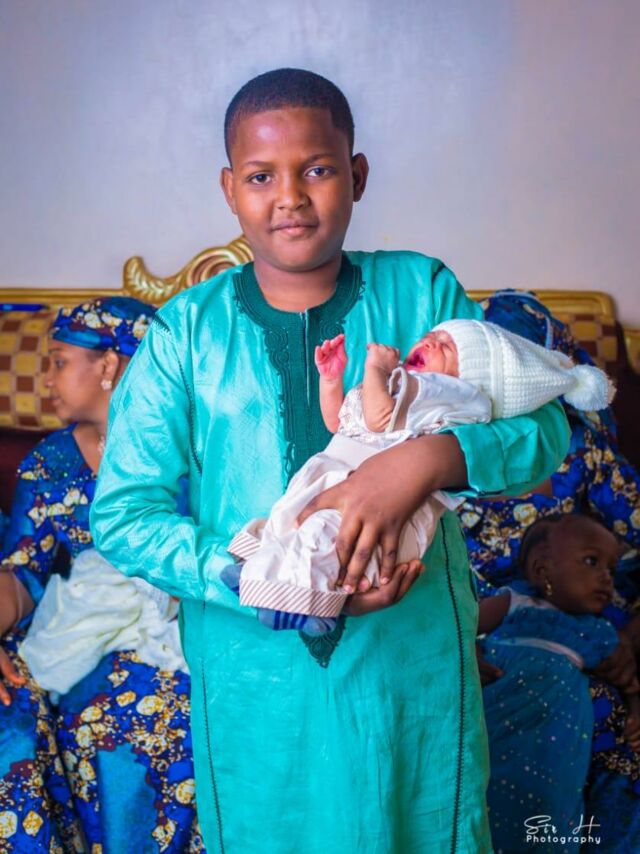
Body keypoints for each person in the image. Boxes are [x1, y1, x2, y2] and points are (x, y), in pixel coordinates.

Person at [91, 68, 570, 853]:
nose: (290, 197)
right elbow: (122, 515)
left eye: (316, 169)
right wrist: (255, 578)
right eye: (260, 177)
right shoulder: (186, 332)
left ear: (357, 175)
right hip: (254, 667)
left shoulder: (421, 289)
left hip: (408, 655)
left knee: (422, 826)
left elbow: (544, 433)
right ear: (229, 189)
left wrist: (423, 462)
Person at [232, 320, 610, 621]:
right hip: (336, 476)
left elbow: (379, 420)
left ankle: (300, 601)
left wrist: (375, 368)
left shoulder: (445, 397)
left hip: (371, 499)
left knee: (324, 537)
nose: (429, 342)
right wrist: (331, 381)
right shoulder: (404, 389)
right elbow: (341, 424)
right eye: (431, 336)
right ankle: (266, 569)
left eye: (446, 346)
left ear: (472, 379)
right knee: (291, 521)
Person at [0, 297, 204, 853]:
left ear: (109, 365)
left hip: (179, 626)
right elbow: (21, 572)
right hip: (75, 629)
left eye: (59, 361)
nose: (47, 379)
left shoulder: (194, 448)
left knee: (149, 717)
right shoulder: (50, 462)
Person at [459, 289, 640, 853]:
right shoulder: (448, 445)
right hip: (472, 632)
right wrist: (456, 647)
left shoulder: (582, 451)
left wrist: (628, 640)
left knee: (607, 717)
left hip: (579, 629)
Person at [479, 514, 640, 853]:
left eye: (611, 569)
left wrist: (635, 716)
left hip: (556, 742)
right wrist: (468, 654)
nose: (606, 578)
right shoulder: (514, 603)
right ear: (542, 570)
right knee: (485, 791)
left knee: (546, 804)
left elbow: (629, 683)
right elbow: (459, 627)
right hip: (494, 718)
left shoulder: (596, 634)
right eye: (591, 561)